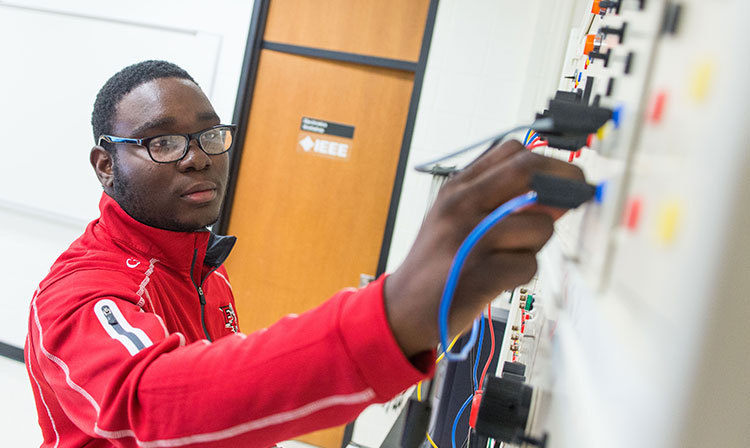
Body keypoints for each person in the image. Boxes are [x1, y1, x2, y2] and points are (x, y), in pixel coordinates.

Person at [25, 60, 582, 448]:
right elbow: (151, 406)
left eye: (209, 135)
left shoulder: (207, 276)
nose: (197, 159)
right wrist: (391, 315)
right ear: (105, 166)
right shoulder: (78, 295)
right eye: (162, 142)